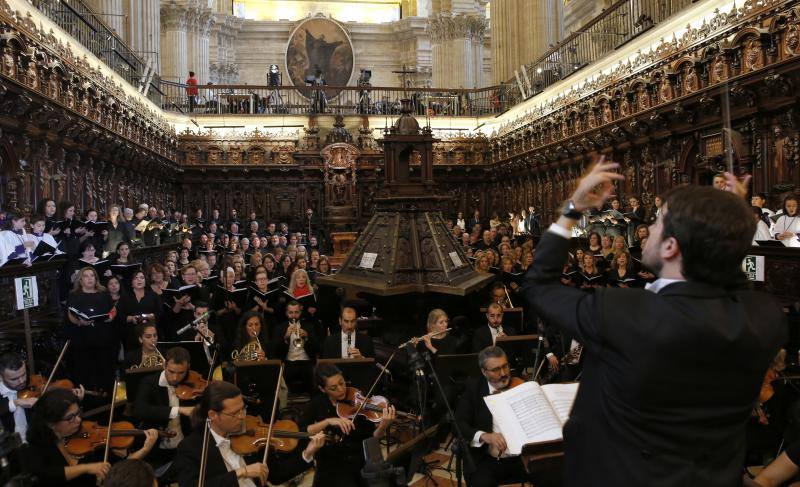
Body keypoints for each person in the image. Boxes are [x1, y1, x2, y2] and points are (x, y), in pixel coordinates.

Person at [524, 157, 786, 487]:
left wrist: (572, 207)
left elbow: (538, 285)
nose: (647, 230)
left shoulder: (622, 313)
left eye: (658, 223)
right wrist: (727, 224)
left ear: (671, 247)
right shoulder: (764, 319)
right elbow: (733, 283)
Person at [173, 380, 325, 487]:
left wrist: (307, 453)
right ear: (213, 415)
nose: (242, 417)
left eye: (242, 409)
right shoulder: (191, 447)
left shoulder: (252, 434)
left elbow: (277, 475)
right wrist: (241, 472)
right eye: (234, 413)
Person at [18, 388, 158, 486]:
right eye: (70, 418)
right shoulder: (36, 447)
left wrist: (144, 450)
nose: (78, 420)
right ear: (51, 424)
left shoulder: (91, 437)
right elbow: (45, 476)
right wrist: (87, 468)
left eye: (78, 413)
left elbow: (117, 470)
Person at [302, 364, 395, 487]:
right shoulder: (317, 404)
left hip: (360, 459)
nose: (341, 389)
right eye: (333, 388)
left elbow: (373, 438)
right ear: (323, 389)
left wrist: (383, 426)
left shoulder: (357, 398)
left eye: (342, 383)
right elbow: (304, 430)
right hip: (332, 464)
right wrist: (328, 421)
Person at [454, 346, 535, 487]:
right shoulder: (474, 389)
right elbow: (458, 425)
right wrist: (486, 436)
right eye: (496, 369)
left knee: (555, 472)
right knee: (481, 483)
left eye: (505, 366)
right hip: (488, 458)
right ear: (484, 372)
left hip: (523, 457)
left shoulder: (520, 385)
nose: (503, 373)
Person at [132, 346, 195, 470]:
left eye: (181, 373)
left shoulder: (192, 384)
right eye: (171, 371)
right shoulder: (149, 382)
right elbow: (140, 410)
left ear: (188, 368)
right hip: (157, 448)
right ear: (164, 365)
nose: (175, 378)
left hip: (184, 447)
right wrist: (178, 410)